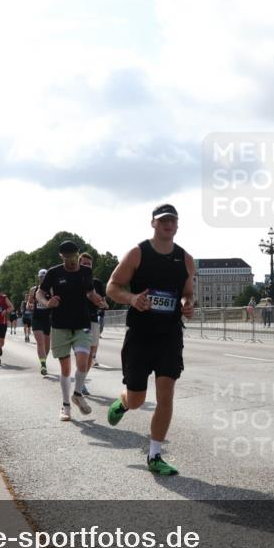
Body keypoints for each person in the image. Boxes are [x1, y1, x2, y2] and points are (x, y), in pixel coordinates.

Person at [106, 203, 195, 475]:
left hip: (169, 335)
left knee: (165, 394)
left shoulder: (186, 259)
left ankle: (155, 456)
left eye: (173, 221)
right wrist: (133, 299)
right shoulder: (137, 253)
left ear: (177, 225)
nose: (168, 225)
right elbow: (112, 286)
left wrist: (187, 303)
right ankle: (123, 403)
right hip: (140, 335)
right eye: (163, 220)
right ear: (153, 223)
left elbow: (187, 292)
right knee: (137, 400)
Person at [36, 241, 104, 421]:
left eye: (73, 257)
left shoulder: (86, 271)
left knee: (83, 363)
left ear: (78, 254)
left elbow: (89, 292)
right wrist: (47, 302)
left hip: (82, 323)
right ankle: (66, 406)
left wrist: (96, 299)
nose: (71, 261)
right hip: (60, 325)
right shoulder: (54, 272)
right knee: (65, 368)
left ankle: (77, 394)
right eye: (67, 258)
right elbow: (39, 293)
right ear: (61, 257)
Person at [79, 252, 109, 394]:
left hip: (93, 319)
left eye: (88, 264)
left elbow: (103, 302)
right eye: (83, 263)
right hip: (78, 321)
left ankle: (82, 380)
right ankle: (79, 382)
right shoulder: (74, 279)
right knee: (83, 353)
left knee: (91, 354)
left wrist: (103, 304)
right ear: (79, 264)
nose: (86, 266)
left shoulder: (96, 282)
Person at [28, 269, 52, 375]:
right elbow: (29, 303)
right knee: (40, 342)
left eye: (45, 277)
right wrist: (30, 306)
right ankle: (43, 365)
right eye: (41, 277)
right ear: (38, 278)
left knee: (47, 345)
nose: (43, 279)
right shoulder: (34, 290)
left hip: (48, 319)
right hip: (37, 318)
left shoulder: (51, 289)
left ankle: (43, 361)